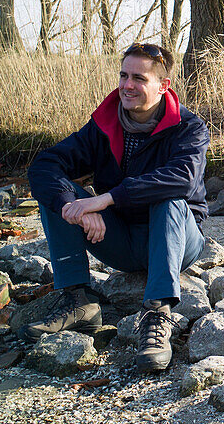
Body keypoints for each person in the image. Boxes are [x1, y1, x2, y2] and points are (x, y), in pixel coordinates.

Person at [23, 42, 209, 373]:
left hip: (177, 240)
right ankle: (78, 301)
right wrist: (77, 206)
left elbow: (181, 179)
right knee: (58, 194)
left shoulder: (188, 128)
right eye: (123, 75)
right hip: (120, 240)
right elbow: (44, 166)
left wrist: (107, 198)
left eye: (139, 77)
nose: (127, 85)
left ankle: (156, 314)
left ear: (163, 85)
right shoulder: (104, 125)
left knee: (167, 198)